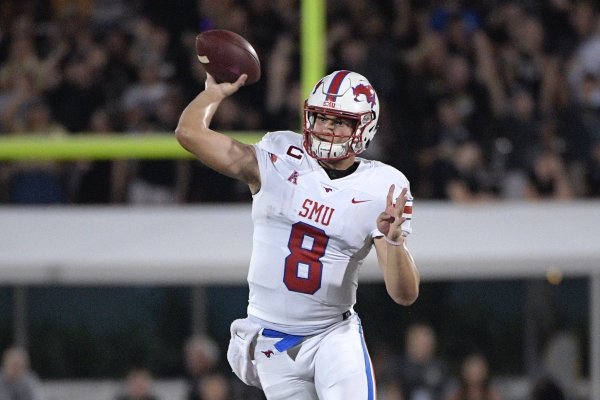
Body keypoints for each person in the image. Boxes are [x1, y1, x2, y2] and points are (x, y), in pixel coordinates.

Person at [175, 69, 420, 400]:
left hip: (333, 334)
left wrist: (394, 242)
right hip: (273, 341)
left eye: (340, 121)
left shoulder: (382, 186)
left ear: (364, 127)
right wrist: (213, 94)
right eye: (320, 117)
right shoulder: (280, 155)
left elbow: (404, 294)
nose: (327, 128)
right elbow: (189, 133)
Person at [397, 323, 449, 400]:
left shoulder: (440, 367)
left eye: (427, 342)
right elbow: (393, 392)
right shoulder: (399, 365)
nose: (423, 345)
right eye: (420, 342)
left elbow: (449, 392)